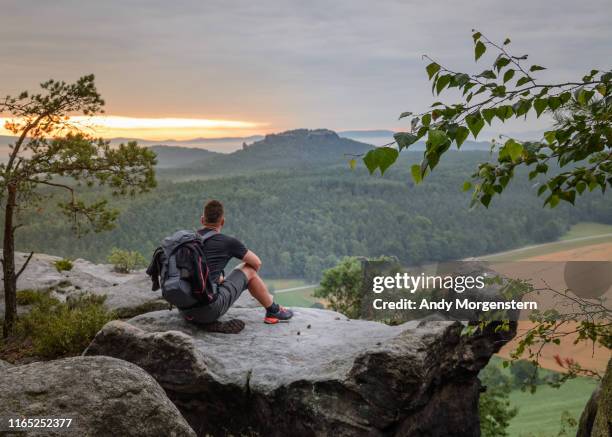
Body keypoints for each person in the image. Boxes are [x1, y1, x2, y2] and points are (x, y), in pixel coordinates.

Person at [180, 199, 293, 332]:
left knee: (235, 275)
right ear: (222, 221)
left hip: (184, 309)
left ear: (202, 220)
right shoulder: (228, 242)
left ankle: (201, 321)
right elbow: (257, 262)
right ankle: (273, 311)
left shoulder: (188, 241)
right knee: (249, 269)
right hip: (209, 311)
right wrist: (245, 283)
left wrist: (217, 281)